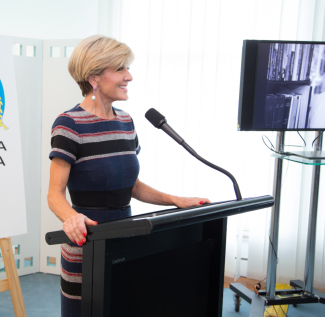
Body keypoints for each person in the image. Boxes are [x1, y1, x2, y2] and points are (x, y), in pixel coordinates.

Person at [47, 35, 211, 317]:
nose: (129, 76)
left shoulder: (126, 121)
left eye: (128, 68)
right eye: (121, 69)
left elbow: (131, 185)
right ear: (94, 77)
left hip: (127, 236)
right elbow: (54, 194)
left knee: (124, 305)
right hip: (89, 240)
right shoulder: (69, 124)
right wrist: (70, 217)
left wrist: (175, 200)